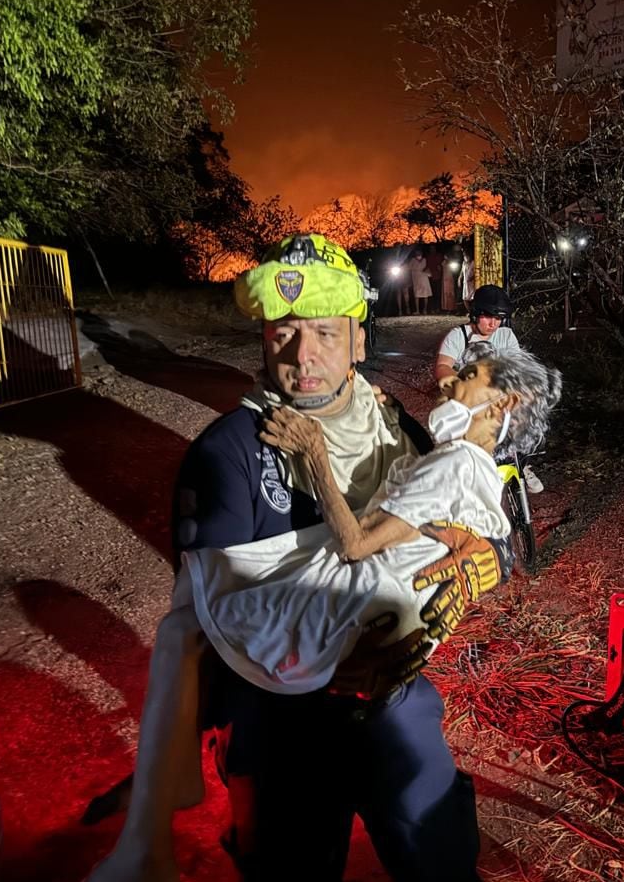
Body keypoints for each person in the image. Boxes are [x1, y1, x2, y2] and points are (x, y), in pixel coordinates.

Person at [59, 233, 508, 882]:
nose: (303, 355)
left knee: (444, 876)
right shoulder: (231, 454)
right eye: (285, 333)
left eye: (325, 333)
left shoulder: (399, 432)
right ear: (264, 341)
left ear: (358, 341)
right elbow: (215, 621)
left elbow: (464, 517)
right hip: (280, 729)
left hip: (395, 711)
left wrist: (484, 563)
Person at [194, 348, 561, 696]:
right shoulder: (481, 477)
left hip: (323, 622)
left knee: (203, 625)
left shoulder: (456, 463)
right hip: (367, 643)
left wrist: (314, 452)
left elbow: (356, 545)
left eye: (467, 376)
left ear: (502, 404)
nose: (446, 381)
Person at [436, 284, 545, 494]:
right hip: (469, 401)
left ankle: (522, 465)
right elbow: (442, 366)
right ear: (475, 313)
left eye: (498, 318)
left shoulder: (505, 335)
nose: (493, 323)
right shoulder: (458, 335)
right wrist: (460, 387)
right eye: (487, 316)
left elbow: (516, 365)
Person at [408, 247, 433, 316]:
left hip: (424, 278)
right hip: (416, 279)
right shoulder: (413, 260)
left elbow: (426, 267)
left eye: (419, 253)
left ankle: (425, 310)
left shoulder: (424, 260)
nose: (418, 254)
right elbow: (409, 268)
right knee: (417, 295)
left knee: (425, 294)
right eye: (417, 253)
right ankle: (417, 310)